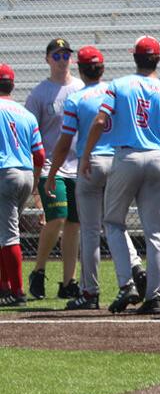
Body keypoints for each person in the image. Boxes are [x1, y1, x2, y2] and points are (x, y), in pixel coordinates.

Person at [78, 36, 160, 315]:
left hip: (126, 156)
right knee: (156, 232)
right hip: (155, 158)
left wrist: (86, 154)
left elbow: (100, 121)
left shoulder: (118, 85)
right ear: (158, 59)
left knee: (113, 222)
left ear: (134, 57)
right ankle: (156, 296)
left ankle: (127, 284)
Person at [45, 46, 147, 310]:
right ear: (102, 69)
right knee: (115, 224)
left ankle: (90, 291)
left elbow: (64, 142)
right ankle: (135, 265)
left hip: (91, 164)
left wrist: (52, 173)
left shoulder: (76, 99)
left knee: (90, 231)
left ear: (80, 69)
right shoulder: (117, 92)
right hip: (119, 161)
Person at [26, 38, 84, 301]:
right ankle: (38, 271)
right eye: (57, 56)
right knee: (57, 218)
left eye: (66, 55)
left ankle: (69, 281)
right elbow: (31, 133)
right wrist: (36, 178)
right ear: (47, 59)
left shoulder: (80, 89)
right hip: (51, 166)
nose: (62, 60)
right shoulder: (40, 94)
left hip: (77, 166)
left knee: (73, 224)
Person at [0, 64, 45, 307]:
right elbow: (39, 154)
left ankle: (17, 292)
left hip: (4, 174)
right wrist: (35, 181)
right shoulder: (26, 114)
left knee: (8, 235)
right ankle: (4, 286)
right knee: (5, 232)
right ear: (12, 85)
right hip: (25, 174)